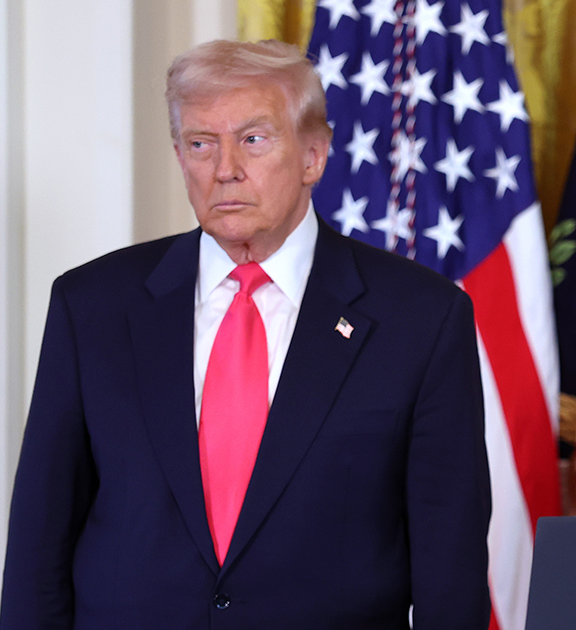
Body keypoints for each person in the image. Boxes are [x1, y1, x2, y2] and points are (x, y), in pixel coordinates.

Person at [0, 40, 491, 628]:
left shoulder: (422, 319)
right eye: (201, 143)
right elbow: (37, 547)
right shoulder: (92, 306)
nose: (225, 168)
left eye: (253, 139)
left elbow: (450, 568)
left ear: (314, 156)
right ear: (180, 157)